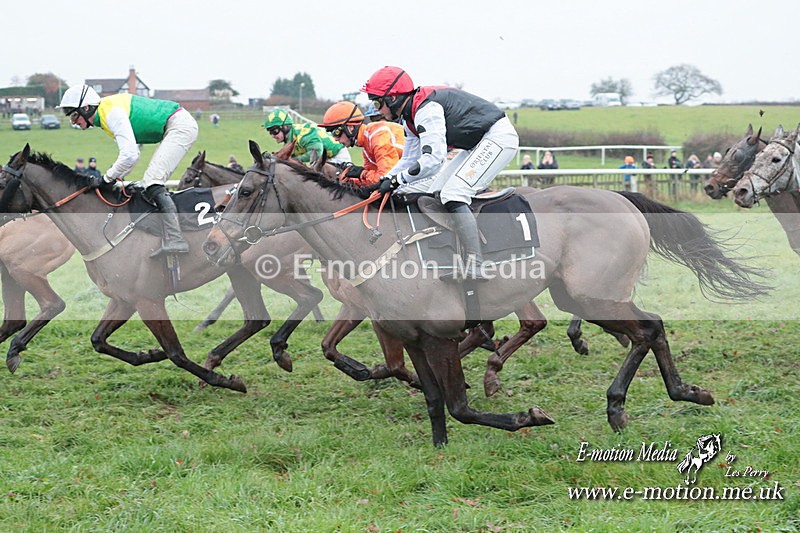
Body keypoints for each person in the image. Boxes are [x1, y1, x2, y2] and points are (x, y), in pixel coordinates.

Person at [362, 66, 519, 280]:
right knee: (434, 194)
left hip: (498, 137)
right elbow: (409, 159)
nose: (377, 110)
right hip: (475, 144)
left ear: (394, 98)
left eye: (378, 102)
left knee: (453, 194)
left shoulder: (426, 109)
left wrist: (398, 180)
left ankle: (476, 264)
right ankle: (452, 255)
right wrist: (385, 180)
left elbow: (433, 160)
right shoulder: (410, 118)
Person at [58, 84, 198, 255]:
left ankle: (176, 239)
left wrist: (106, 179)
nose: (74, 122)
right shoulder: (105, 115)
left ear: (86, 108)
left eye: (74, 116)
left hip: (179, 126)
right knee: (147, 183)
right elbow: (130, 157)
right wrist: (114, 177)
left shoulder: (111, 113)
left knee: (153, 181)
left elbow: (130, 156)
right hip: (174, 125)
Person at [318, 101, 405, 186]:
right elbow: (370, 180)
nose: (335, 139)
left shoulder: (377, 137)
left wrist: (361, 173)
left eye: (336, 133)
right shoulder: (366, 146)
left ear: (350, 127)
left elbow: (385, 179)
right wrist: (350, 180)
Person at [263, 109, 351, 166]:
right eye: (270, 132)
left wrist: (294, 159)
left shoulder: (303, 134)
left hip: (338, 155)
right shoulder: (289, 140)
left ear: (285, 127)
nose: (272, 135)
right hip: (324, 160)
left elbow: (316, 152)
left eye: (274, 131)